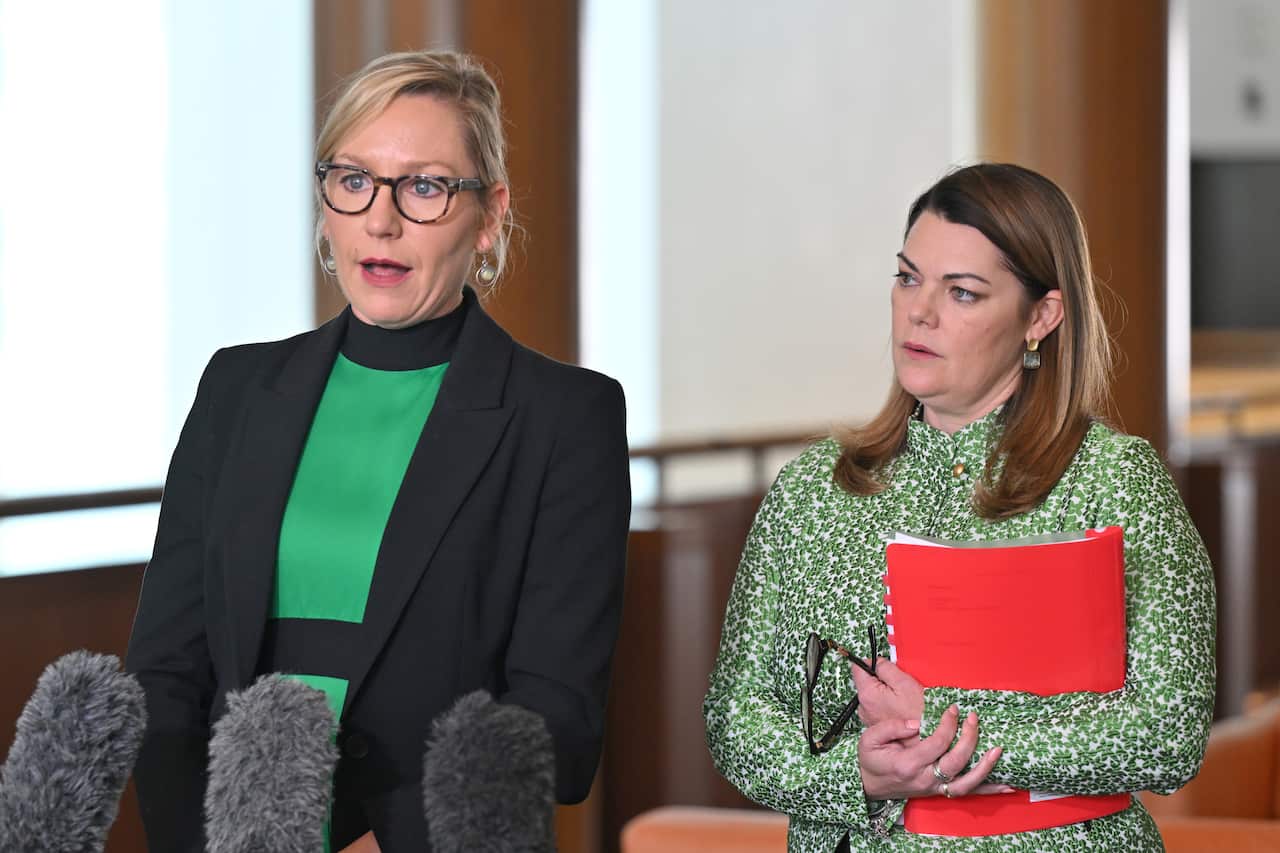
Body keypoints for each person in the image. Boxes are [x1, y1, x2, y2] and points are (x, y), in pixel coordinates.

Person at [126, 49, 631, 852]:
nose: (381, 219)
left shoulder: (566, 417)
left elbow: (558, 724)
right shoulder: (237, 387)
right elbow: (164, 675)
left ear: (491, 213)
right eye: (354, 179)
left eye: (425, 186)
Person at [703, 163, 1215, 851]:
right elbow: (735, 716)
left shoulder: (1115, 483)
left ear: (1041, 316)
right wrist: (854, 774)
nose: (920, 311)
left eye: (963, 293)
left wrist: (943, 721)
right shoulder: (809, 491)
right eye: (908, 277)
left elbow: (1168, 733)